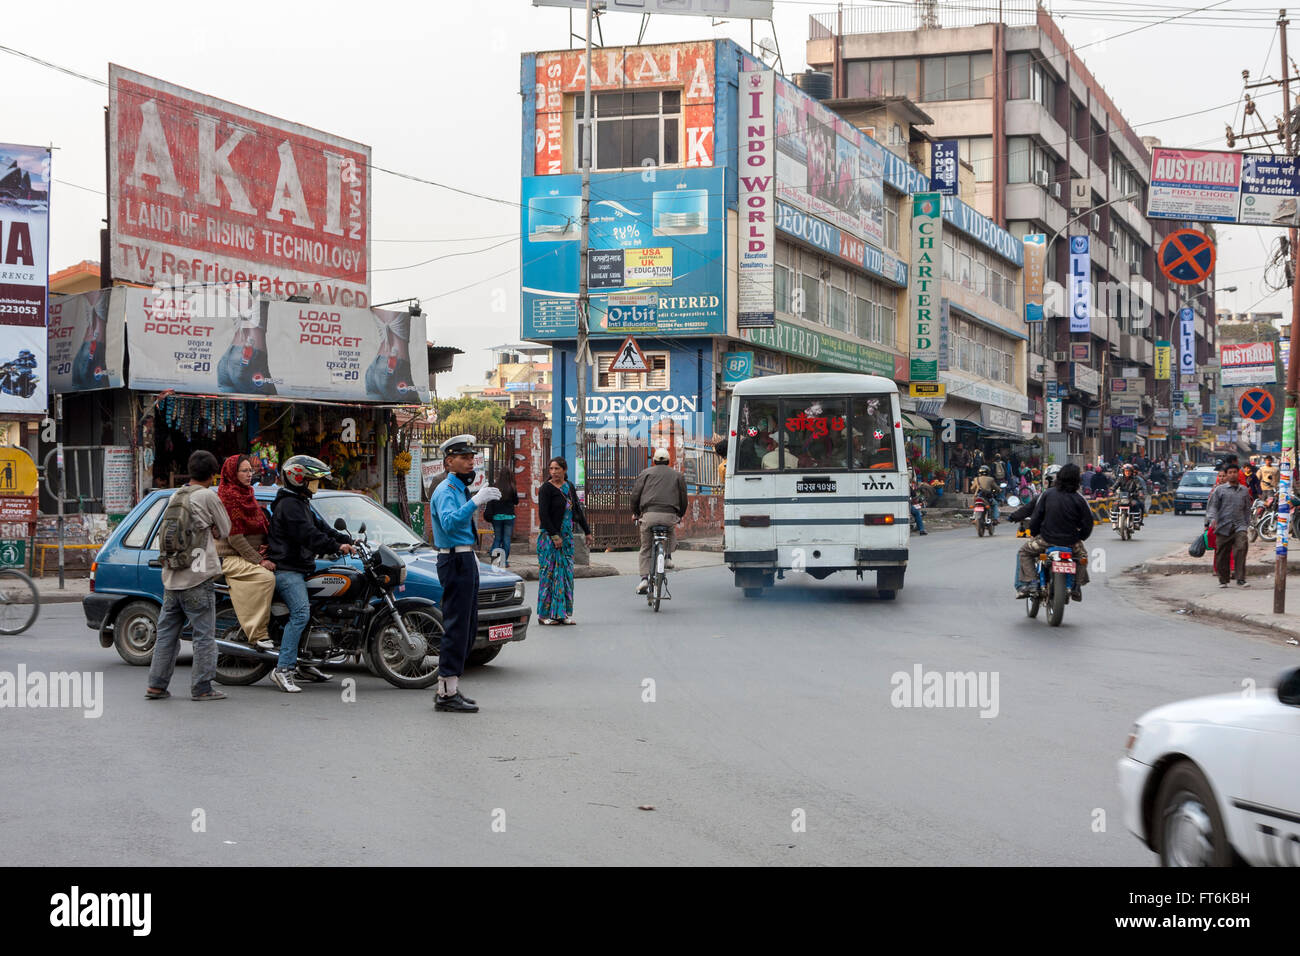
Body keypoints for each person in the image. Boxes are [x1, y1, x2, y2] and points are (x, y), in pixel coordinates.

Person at [264, 455, 355, 694]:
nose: (316, 485)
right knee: (301, 613)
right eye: (312, 480)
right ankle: (283, 669)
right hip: (287, 569)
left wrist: (346, 539)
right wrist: (335, 547)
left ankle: (304, 663)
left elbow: (321, 527)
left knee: (317, 610)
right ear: (298, 479)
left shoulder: (300, 501)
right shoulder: (289, 505)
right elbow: (308, 536)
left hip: (301, 567)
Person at [145, 450, 231, 702]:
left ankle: (156, 685)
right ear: (213, 474)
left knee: (167, 635)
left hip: (172, 577)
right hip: (198, 578)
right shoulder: (207, 496)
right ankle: (202, 687)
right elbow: (226, 529)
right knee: (204, 636)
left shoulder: (176, 494)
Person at [429, 434, 502, 713]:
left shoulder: (458, 487)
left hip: (465, 557)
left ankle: (451, 687)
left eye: (472, 457)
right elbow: (447, 524)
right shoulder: (446, 489)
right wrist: (476, 503)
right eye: (464, 457)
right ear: (449, 461)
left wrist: (475, 500)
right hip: (454, 559)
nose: (471, 461)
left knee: (468, 626)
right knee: (457, 626)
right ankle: (446, 694)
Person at [215, 454, 276, 649]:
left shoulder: (248, 493)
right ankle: (257, 633)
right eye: (244, 471)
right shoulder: (229, 496)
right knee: (266, 578)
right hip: (231, 556)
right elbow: (235, 538)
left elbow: (260, 525)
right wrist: (259, 560)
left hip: (249, 553)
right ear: (233, 473)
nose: (249, 474)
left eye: (251, 470)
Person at [1016, 463, 1093, 600]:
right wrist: (1079, 537)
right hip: (1071, 543)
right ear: (1077, 480)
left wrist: (1034, 533)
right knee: (1082, 558)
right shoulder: (1079, 499)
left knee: (1024, 552)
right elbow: (1088, 523)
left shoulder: (1047, 494)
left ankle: (1033, 582)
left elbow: (1036, 518)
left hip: (1046, 540)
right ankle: (1076, 586)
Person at [537, 456, 593, 625]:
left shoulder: (569, 488)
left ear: (564, 470)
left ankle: (562, 614)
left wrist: (587, 532)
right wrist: (555, 536)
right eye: (551, 469)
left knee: (565, 576)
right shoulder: (545, 489)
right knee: (549, 575)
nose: (553, 472)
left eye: (557, 469)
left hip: (567, 539)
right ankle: (544, 615)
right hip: (549, 538)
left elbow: (577, 510)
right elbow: (544, 515)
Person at [631, 447, 688, 594]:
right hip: (669, 516)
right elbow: (683, 499)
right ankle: (668, 556)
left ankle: (644, 578)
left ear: (654, 461)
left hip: (649, 516)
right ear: (669, 461)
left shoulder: (646, 473)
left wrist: (636, 513)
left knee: (645, 548)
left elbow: (635, 495)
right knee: (670, 530)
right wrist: (680, 515)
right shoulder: (678, 475)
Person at [1206, 462, 1252, 589]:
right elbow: (1213, 506)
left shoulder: (1244, 490)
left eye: (1235, 472)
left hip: (1239, 526)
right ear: (1226, 475)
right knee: (1222, 554)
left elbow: (1247, 508)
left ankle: (1240, 578)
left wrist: (1246, 523)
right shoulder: (1219, 490)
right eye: (1230, 473)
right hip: (1222, 526)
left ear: (1238, 474)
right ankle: (1223, 579)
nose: (1232, 475)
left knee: (1241, 549)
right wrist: (1213, 519)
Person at [486, 467, 520, 567]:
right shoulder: (512, 487)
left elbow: (491, 500)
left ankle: (495, 561)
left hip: (496, 517)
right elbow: (516, 501)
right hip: (509, 517)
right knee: (506, 539)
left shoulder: (495, 486)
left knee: (497, 538)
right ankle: (504, 561)